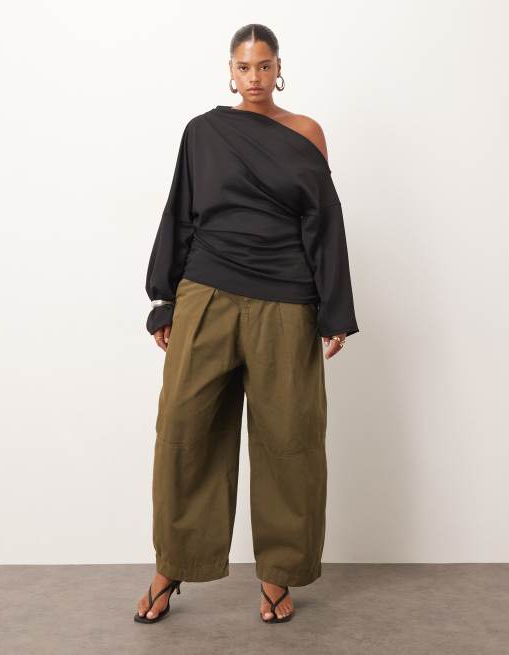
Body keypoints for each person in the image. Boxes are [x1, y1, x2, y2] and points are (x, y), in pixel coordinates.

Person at [135, 23, 359, 625]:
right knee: (184, 429)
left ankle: (278, 573)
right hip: (205, 293)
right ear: (229, 71)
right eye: (243, 66)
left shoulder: (306, 132)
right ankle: (172, 565)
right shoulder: (203, 132)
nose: (253, 77)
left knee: (289, 439)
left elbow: (324, 223)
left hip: (286, 301)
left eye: (264, 66)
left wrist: (334, 310)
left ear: (279, 69)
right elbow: (181, 213)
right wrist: (163, 300)